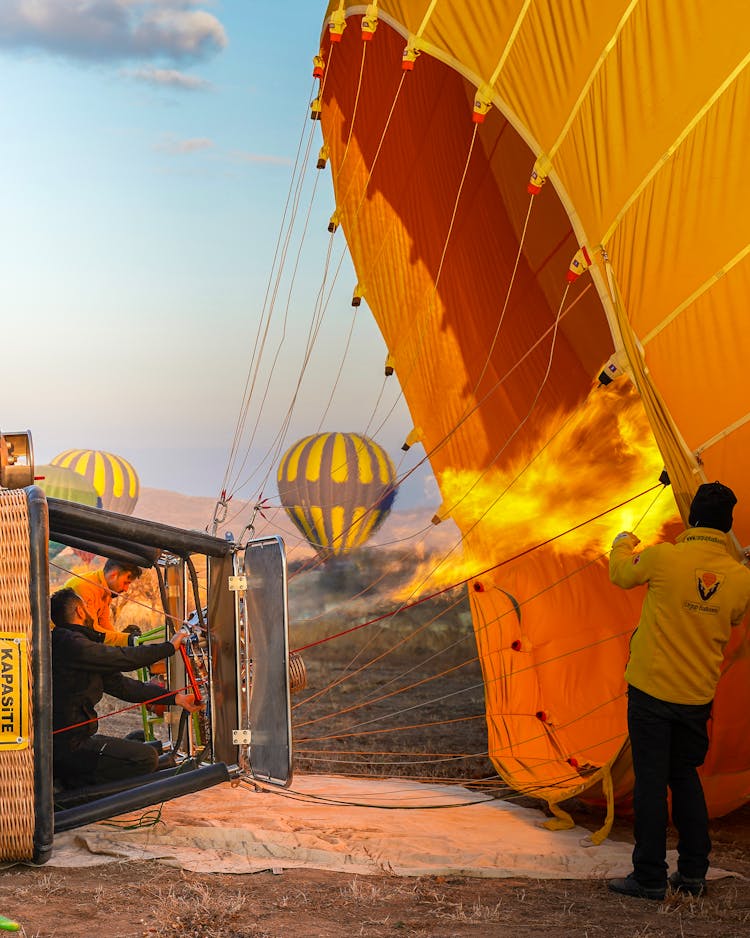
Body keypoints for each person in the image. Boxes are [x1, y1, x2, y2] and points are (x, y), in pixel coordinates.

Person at [607, 481, 750, 900]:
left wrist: (620, 542)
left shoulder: (664, 557)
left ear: (692, 519)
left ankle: (649, 876)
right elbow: (736, 615)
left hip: (652, 691)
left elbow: (621, 574)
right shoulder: (740, 577)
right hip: (696, 697)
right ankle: (692, 874)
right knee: (685, 778)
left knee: (650, 782)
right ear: (726, 528)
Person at [50, 587, 203, 789]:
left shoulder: (78, 646)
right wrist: (168, 648)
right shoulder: (68, 642)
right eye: (87, 607)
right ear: (79, 611)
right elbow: (121, 657)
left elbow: (124, 687)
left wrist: (176, 699)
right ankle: (74, 787)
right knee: (146, 758)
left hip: (78, 739)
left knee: (143, 747)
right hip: (69, 746)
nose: (90, 612)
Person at [65, 558, 142, 647]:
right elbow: (91, 629)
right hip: (62, 644)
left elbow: (104, 624)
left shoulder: (104, 590)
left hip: (78, 640)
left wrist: (124, 640)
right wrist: (126, 639)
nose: (126, 589)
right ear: (113, 575)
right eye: (126, 583)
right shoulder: (85, 587)